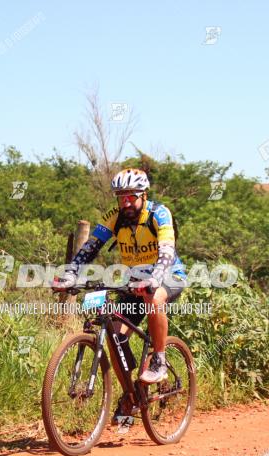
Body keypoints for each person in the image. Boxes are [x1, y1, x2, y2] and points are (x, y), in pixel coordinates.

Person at [52, 168, 187, 420]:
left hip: (169, 275)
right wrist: (71, 272)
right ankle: (130, 395)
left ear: (143, 195)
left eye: (130, 196)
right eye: (120, 196)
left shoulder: (159, 213)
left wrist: (155, 278)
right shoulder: (115, 217)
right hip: (134, 281)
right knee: (114, 333)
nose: (125, 202)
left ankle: (159, 360)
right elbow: (92, 246)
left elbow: (167, 249)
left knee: (154, 296)